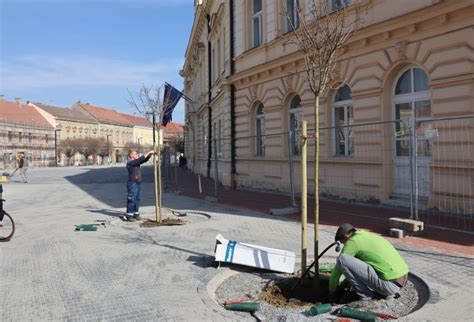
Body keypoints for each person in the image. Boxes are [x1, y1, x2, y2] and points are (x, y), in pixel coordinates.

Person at [329, 223, 409, 302]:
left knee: (342, 258)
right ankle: (386, 292)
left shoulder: (353, 242)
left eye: (343, 242)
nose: (344, 245)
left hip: (389, 286)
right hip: (402, 279)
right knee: (358, 259)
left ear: (346, 236)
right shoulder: (364, 235)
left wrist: (332, 293)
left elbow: (337, 272)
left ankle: (366, 296)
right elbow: (353, 269)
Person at [125, 149, 154, 222]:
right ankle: (129, 215)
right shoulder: (130, 162)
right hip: (132, 183)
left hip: (137, 182)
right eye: (135, 154)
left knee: (137, 199)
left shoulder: (136, 162)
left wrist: (150, 155)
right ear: (131, 155)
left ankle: (136, 213)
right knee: (131, 199)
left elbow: (143, 160)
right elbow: (139, 160)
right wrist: (149, 152)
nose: (136, 155)